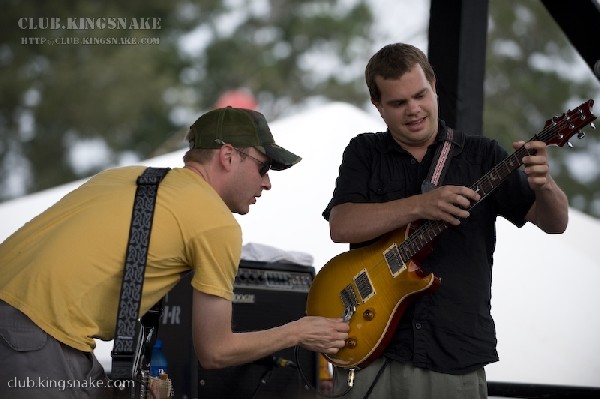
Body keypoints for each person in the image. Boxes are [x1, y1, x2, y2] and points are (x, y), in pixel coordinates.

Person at [0, 106, 350, 398]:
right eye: (263, 167)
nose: (267, 182)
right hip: (33, 335)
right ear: (228, 156)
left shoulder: (125, 178)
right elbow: (215, 352)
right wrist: (299, 332)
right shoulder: (215, 222)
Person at [323, 43, 568, 399]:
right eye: (398, 103)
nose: (414, 109)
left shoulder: (484, 154)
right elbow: (341, 225)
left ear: (433, 85)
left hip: (455, 353)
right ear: (378, 106)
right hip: (373, 349)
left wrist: (545, 184)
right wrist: (421, 205)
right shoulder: (364, 151)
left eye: (420, 95)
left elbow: (555, 223)